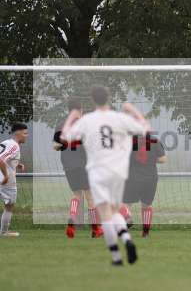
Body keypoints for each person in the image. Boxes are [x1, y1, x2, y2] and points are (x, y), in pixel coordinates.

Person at [61, 85, 148, 266]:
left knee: (106, 215)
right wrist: (133, 110)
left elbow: (65, 137)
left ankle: (116, 257)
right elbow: (145, 129)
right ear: (108, 98)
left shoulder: (87, 120)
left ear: (92, 100)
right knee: (115, 211)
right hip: (118, 171)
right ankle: (127, 240)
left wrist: (73, 115)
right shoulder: (120, 118)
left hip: (97, 171)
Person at [53, 99, 103, 239]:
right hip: (83, 164)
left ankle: (72, 220)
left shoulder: (61, 124)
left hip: (68, 165)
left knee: (76, 195)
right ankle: (95, 229)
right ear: (80, 109)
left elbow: (56, 146)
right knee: (90, 197)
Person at [119, 134, 167, 237]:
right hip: (150, 178)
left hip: (132, 177)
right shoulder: (154, 140)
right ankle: (145, 232)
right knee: (146, 205)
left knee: (125, 204)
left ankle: (127, 217)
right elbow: (163, 159)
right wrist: (152, 159)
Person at [0, 123, 28, 237]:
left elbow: (6, 159)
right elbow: (0, 159)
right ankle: (4, 232)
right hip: (5, 182)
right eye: (25, 133)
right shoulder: (14, 146)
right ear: (18, 133)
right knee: (9, 206)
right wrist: (6, 175)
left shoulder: (6, 142)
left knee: (9, 205)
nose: (27, 136)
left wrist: (17, 164)